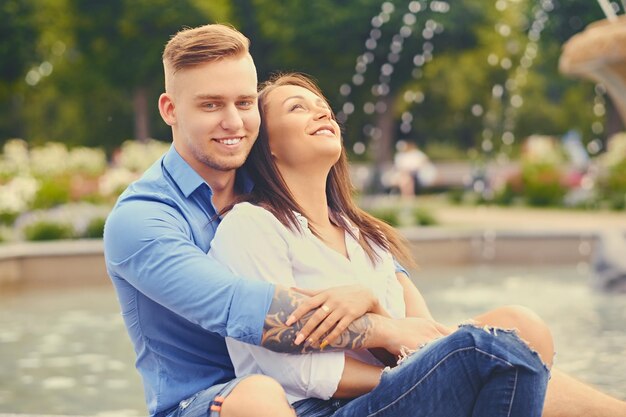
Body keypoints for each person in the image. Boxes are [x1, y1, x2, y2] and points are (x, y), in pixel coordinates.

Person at [103, 23, 626, 417]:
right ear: (170, 110)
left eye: (245, 103)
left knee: (514, 331)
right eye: (211, 105)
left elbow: (397, 295)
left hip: (338, 376)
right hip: (215, 398)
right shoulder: (145, 219)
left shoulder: (271, 191)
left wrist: (392, 316)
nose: (234, 121)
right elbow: (250, 311)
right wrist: (381, 324)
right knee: (259, 397)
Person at [207, 72, 552, 416]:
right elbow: (293, 370)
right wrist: (414, 377)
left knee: (520, 331)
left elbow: (412, 339)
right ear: (266, 143)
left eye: (323, 107)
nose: (323, 114)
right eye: (298, 108)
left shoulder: (364, 236)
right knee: (495, 354)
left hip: (387, 398)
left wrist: (381, 318)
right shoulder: (250, 225)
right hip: (319, 409)